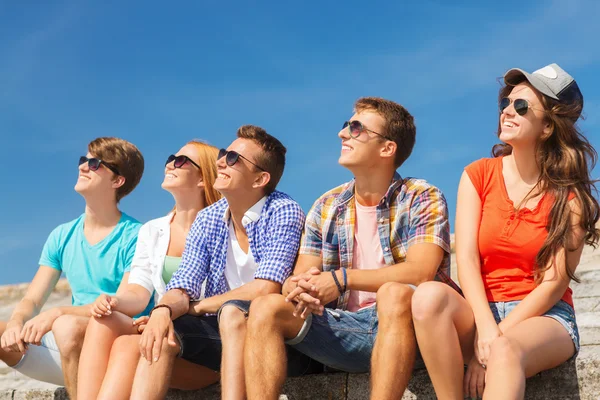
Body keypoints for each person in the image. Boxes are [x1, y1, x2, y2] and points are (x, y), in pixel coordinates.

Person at [244, 97, 460, 400]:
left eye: (356, 128)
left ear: (387, 148)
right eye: (346, 126)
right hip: (344, 327)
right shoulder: (326, 204)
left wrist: (341, 279)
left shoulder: (422, 196)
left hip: (411, 331)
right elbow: (301, 275)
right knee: (266, 307)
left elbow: (422, 272)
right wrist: (299, 285)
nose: (342, 133)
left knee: (394, 293)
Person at [411, 63, 598, 400]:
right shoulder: (478, 174)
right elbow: (465, 259)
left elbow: (554, 284)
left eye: (522, 107)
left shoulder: (570, 199)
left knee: (506, 350)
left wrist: (495, 341)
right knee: (426, 296)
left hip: (542, 318)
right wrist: (485, 328)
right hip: (481, 311)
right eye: (506, 104)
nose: (508, 112)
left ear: (547, 127)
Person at [125, 125, 311, 400]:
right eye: (224, 154)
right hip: (223, 331)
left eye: (234, 159)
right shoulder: (208, 218)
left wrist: (195, 307)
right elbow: (183, 283)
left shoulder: (282, 210)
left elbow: (265, 289)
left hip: (275, 340)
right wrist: (163, 310)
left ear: (260, 179)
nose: (221, 161)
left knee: (233, 312)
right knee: (160, 336)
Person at [0, 137, 146, 399]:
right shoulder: (62, 235)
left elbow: (121, 304)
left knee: (67, 325)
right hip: (68, 349)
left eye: (94, 163)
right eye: (83, 161)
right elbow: (33, 298)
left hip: (112, 346)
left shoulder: (137, 236)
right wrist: (16, 322)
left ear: (117, 181)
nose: (82, 167)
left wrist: (56, 313)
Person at [77, 141, 222, 400]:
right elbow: (138, 291)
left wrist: (163, 315)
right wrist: (114, 300)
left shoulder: (222, 226)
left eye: (181, 161)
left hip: (202, 343)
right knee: (105, 320)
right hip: (161, 330)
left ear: (203, 178)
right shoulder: (152, 230)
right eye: (170, 157)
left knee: (129, 346)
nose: (169, 164)